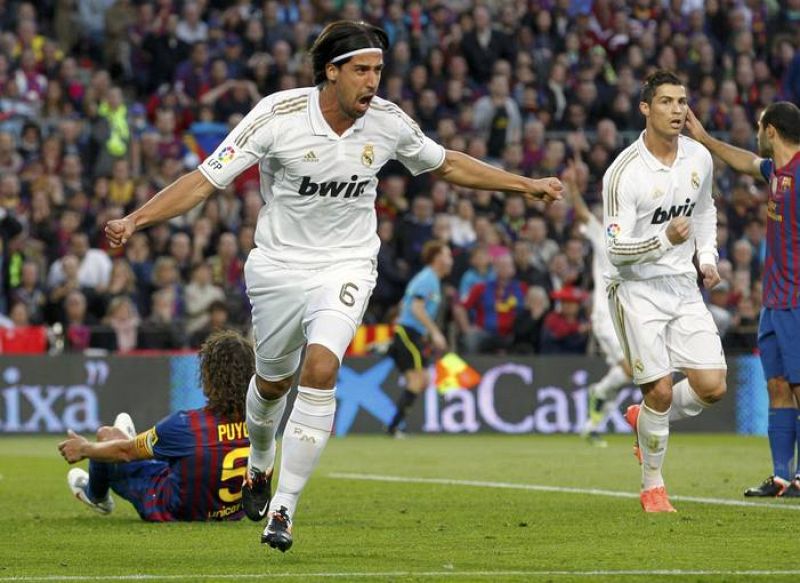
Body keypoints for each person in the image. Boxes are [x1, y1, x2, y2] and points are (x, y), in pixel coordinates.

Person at [103, 20, 562, 552]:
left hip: (346, 264)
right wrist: (137, 219)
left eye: (378, 71)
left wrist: (523, 184)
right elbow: (205, 180)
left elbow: (447, 164)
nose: (373, 82)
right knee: (272, 382)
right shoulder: (278, 116)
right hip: (278, 267)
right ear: (332, 71)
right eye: (362, 71)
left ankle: (284, 508)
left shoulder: (388, 123)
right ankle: (260, 459)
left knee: (322, 368)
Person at [603, 70, 727, 513]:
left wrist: (707, 259)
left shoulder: (698, 158)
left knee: (712, 386)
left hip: (682, 284)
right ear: (645, 108)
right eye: (667, 102)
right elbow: (616, 250)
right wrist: (665, 241)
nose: (677, 110)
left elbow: (706, 209)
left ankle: (646, 421)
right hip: (635, 288)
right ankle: (652, 486)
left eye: (682, 101)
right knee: (658, 390)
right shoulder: (624, 173)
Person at [685, 101, 800, 498]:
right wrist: (702, 138)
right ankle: (784, 477)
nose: (755, 133)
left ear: (771, 130)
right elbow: (746, 162)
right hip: (774, 302)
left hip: (798, 301)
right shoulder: (776, 172)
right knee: (778, 386)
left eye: (758, 126)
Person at [57, 330, 253, 521]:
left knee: (106, 435)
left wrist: (83, 448)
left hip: (168, 507)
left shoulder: (185, 425)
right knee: (179, 455)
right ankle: (136, 442)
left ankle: (95, 496)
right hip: (231, 512)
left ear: (208, 376)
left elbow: (125, 452)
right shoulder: (260, 425)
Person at [564, 164, 634, 447]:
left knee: (629, 373)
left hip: (630, 315)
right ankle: (598, 393)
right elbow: (581, 214)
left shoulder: (639, 237)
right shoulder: (606, 231)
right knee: (632, 370)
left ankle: (592, 424)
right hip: (606, 315)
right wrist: (572, 189)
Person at [386, 240, 453, 437]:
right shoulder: (428, 279)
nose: (451, 260)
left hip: (412, 333)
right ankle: (394, 427)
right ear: (437, 258)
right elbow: (416, 308)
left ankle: (395, 426)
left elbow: (403, 304)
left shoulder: (430, 279)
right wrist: (434, 332)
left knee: (420, 380)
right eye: (447, 255)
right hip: (409, 332)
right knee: (418, 379)